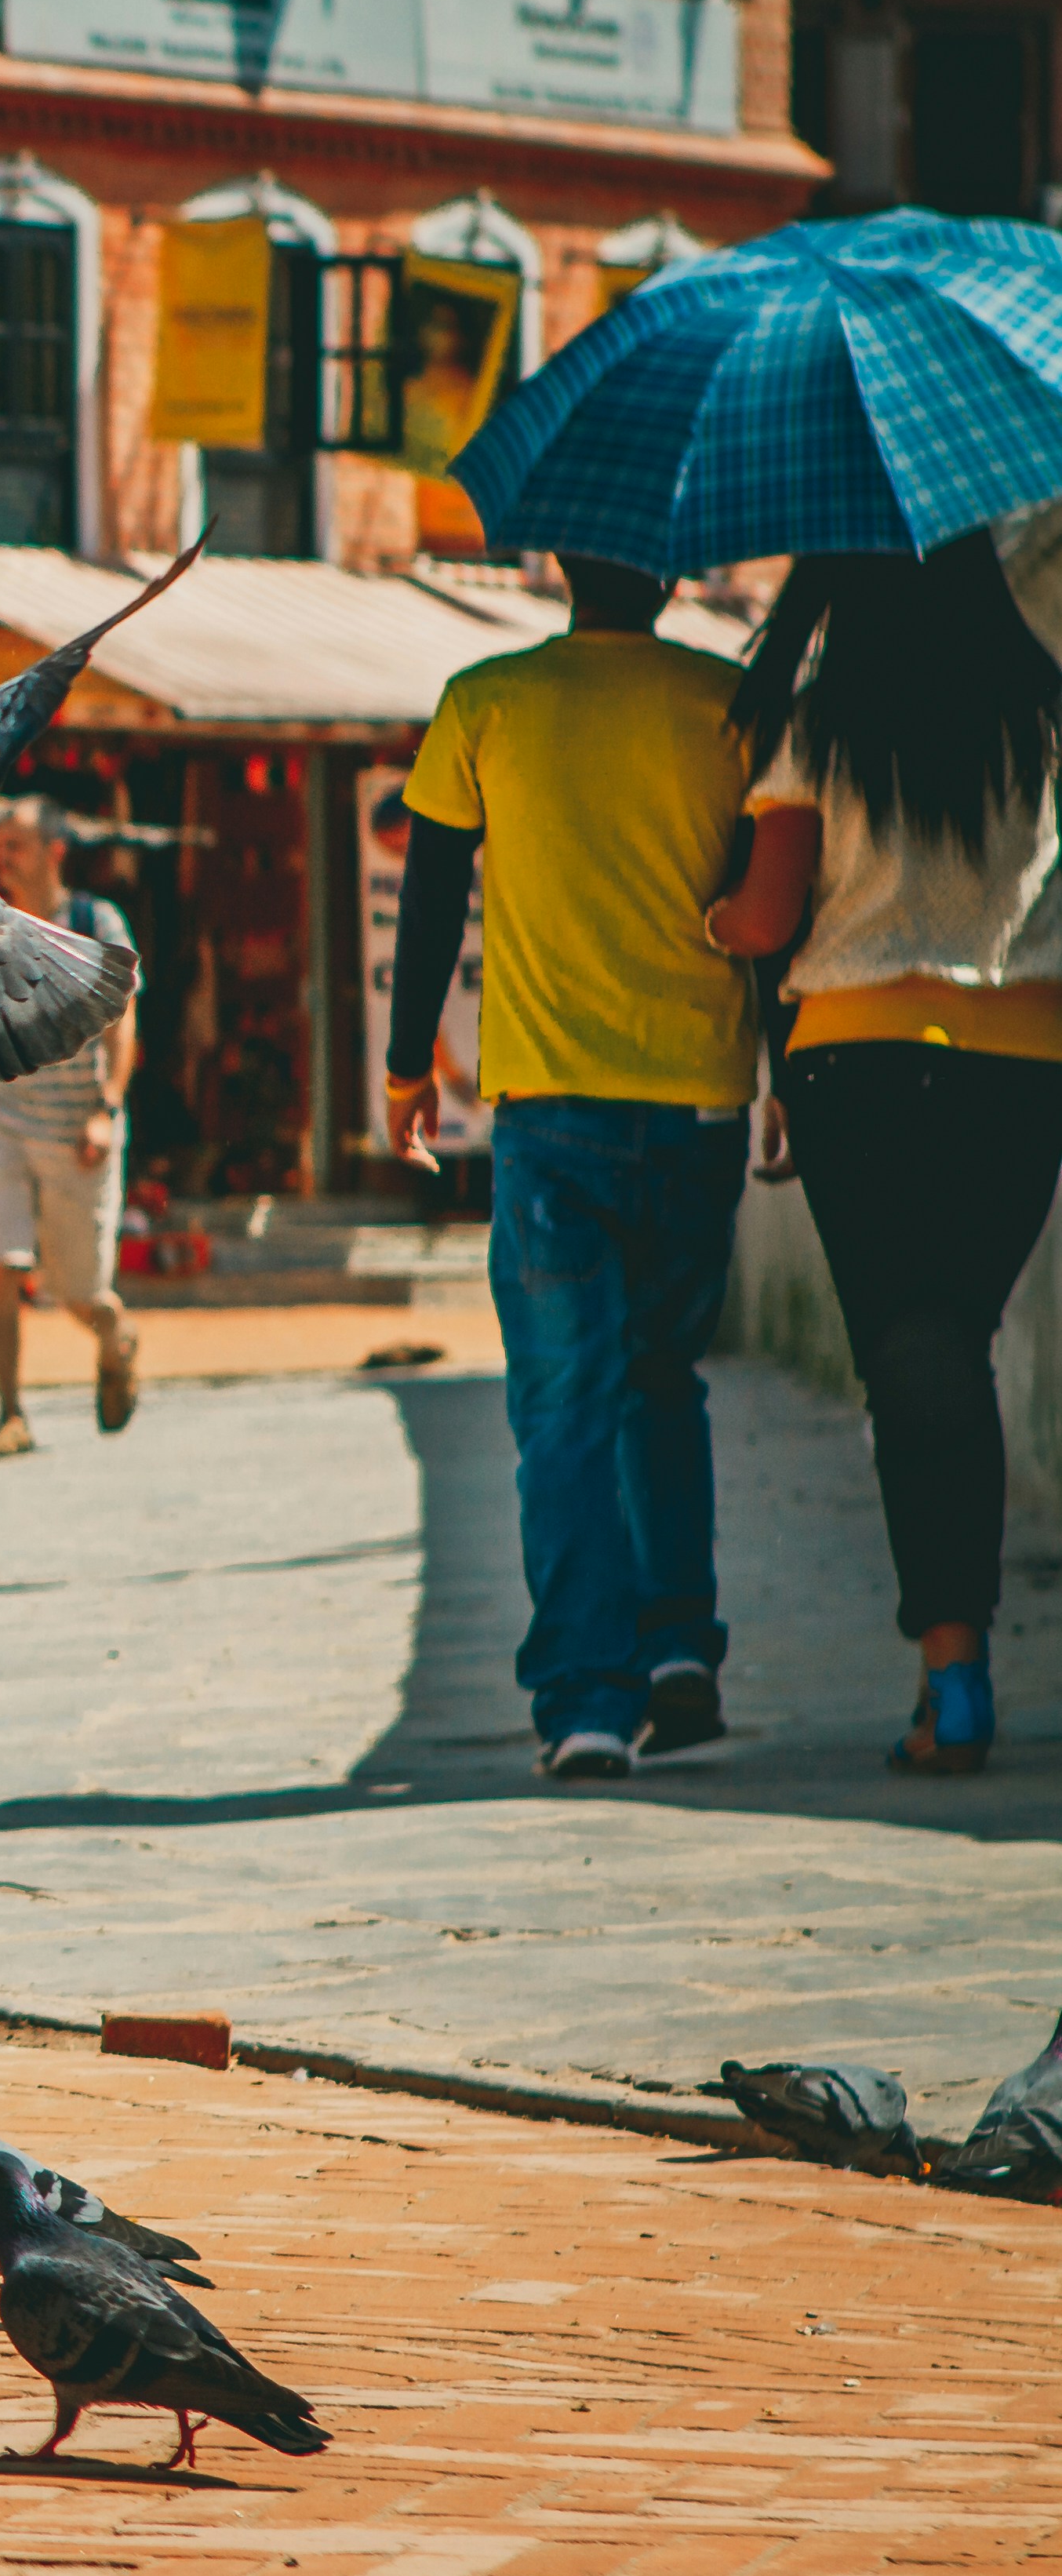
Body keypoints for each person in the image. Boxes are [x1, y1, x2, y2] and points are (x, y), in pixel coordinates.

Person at [385, 551, 755, 1783]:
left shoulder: (485, 699)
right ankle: (679, 1648)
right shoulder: (729, 703)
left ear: (560, 568)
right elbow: (773, 899)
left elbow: (432, 894)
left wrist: (405, 1068)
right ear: (668, 572)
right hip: (700, 1092)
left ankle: (588, 1702)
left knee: (562, 1404)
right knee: (664, 1377)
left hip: (551, 1107)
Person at [704, 526, 1062, 1777]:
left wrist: (708, 910)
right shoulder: (1044, 714)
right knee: (949, 1342)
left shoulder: (823, 722)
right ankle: (956, 1670)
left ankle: (952, 1671)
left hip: (856, 1067)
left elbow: (763, 916)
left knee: (911, 1357)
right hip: (1024, 1067)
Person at [0, 799, 141, 1457]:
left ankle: (114, 1338)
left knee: (79, 1296)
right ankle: (10, 1414)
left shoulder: (93, 922)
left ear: (57, 852)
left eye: (19, 846)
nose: (5, 858)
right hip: (7, 1123)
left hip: (77, 1134)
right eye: (0, 848)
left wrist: (107, 1108)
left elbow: (123, 1029)